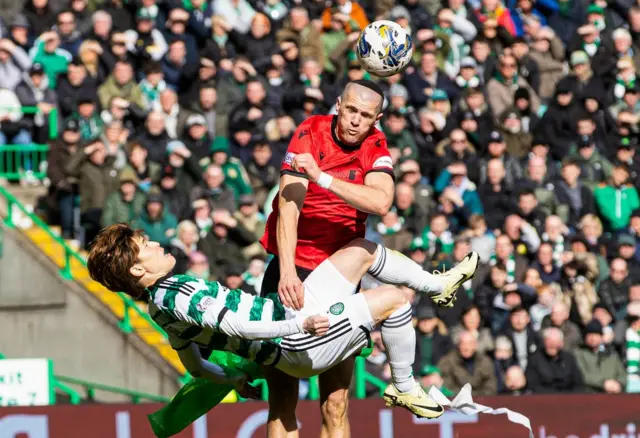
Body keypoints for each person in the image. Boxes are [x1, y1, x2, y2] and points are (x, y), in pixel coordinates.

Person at [86, 223, 481, 420]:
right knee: (394, 301)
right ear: (138, 269)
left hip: (285, 319)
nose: (155, 243)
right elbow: (239, 327)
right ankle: (404, 387)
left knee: (360, 250)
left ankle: (437, 284)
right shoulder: (177, 296)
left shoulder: (161, 305)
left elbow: (193, 365)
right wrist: (301, 325)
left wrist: (234, 379)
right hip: (294, 342)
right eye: (146, 247)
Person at [258, 80, 406, 437]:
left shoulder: (376, 145)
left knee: (336, 403)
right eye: (351, 110)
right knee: (281, 401)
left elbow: (382, 202)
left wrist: (323, 178)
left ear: (377, 119)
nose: (355, 120)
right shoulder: (309, 131)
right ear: (339, 104)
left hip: (341, 276)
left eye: (365, 115)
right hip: (291, 272)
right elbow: (288, 207)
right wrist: (288, 272)